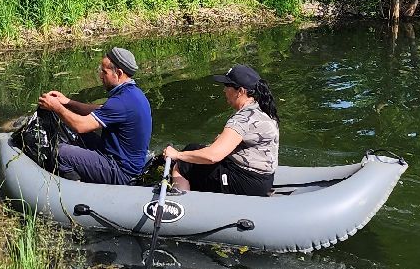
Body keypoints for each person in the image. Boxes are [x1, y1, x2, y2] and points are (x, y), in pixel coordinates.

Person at [37, 47, 154, 185]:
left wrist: (56, 107)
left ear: (119, 73)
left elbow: (80, 126)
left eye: (104, 72)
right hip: (121, 158)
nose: (100, 76)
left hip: (122, 171)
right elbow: (102, 109)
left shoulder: (121, 102)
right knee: (71, 134)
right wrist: (67, 102)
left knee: (60, 152)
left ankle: (78, 188)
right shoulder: (133, 94)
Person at [161, 63, 281, 196]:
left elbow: (213, 156)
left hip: (247, 182)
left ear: (240, 91)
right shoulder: (262, 109)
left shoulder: (242, 119)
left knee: (183, 164)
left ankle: (182, 205)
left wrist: (177, 155)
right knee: (192, 147)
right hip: (264, 179)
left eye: (227, 86)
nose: (224, 90)